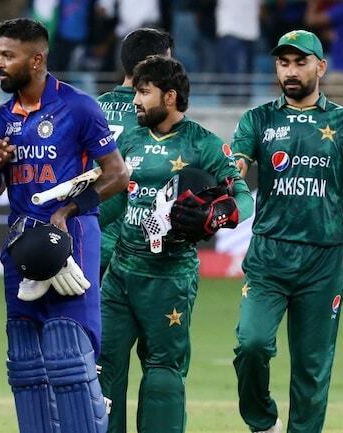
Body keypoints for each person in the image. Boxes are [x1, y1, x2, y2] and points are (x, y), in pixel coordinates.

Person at [231, 29, 343, 433]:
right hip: (268, 257)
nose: (290, 71)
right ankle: (262, 421)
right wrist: (226, 183)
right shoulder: (258, 119)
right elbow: (237, 168)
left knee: (312, 370)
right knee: (251, 344)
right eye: (283, 63)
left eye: (300, 62)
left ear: (321, 67)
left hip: (323, 261)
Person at [0, 17, 129, 433]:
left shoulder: (79, 106)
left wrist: (67, 212)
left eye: (8, 56)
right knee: (25, 360)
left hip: (71, 238)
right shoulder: (2, 116)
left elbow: (117, 175)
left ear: (37, 60)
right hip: (21, 244)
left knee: (69, 353)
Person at [96, 55, 254, 433]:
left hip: (169, 277)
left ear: (169, 97)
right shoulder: (130, 139)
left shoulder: (204, 144)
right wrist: (74, 223)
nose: (135, 101)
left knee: (163, 372)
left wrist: (215, 215)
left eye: (143, 92)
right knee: (102, 366)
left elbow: (243, 199)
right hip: (120, 273)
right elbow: (114, 202)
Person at [94, 27, 173, 433]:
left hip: (89, 254)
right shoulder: (159, 120)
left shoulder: (90, 109)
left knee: (102, 368)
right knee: (161, 362)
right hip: (140, 257)